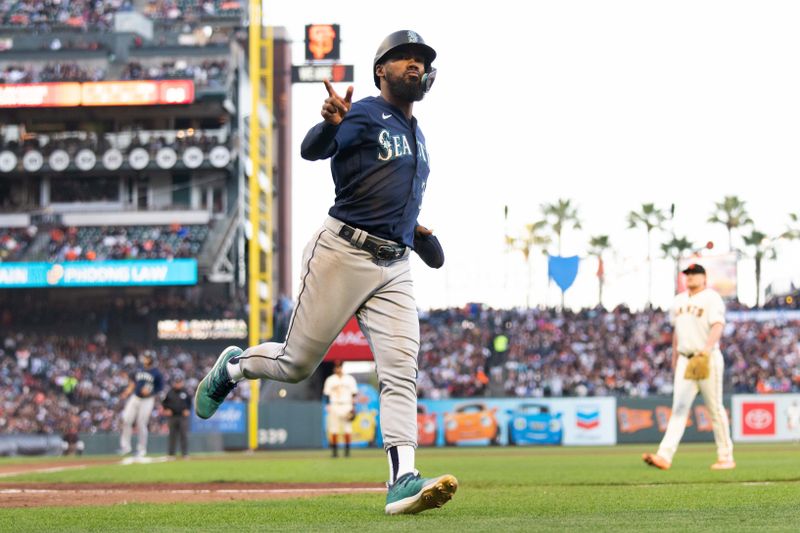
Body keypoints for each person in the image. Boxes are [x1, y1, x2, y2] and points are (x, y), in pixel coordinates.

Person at [195, 30, 457, 514]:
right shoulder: (362, 113)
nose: (415, 65)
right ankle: (233, 366)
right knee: (295, 365)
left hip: (394, 265)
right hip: (343, 251)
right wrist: (331, 126)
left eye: (421, 60)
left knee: (401, 372)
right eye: (404, 58)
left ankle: (403, 479)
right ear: (382, 71)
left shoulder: (417, 136)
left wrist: (418, 234)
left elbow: (394, 194)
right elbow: (313, 150)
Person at [643, 263, 735, 470]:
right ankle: (664, 456)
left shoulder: (712, 297)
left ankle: (726, 457)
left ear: (704, 277)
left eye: (694, 274)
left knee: (715, 409)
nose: (690, 277)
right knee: (679, 409)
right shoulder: (678, 301)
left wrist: (707, 348)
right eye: (687, 274)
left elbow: (718, 325)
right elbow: (677, 332)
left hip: (707, 357)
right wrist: (675, 358)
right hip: (685, 359)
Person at [119, 350, 164, 458]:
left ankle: (141, 449)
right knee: (126, 420)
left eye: (147, 357)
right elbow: (133, 382)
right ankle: (126, 448)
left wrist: (151, 392)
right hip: (135, 397)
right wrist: (128, 391)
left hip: (147, 400)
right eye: (145, 357)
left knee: (141, 423)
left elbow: (160, 388)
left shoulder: (156, 373)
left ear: (151, 359)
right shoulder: (139, 369)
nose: (145, 359)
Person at [323, 361, 358, 458]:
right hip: (334, 405)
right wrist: (328, 405)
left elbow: (354, 394)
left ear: (342, 368)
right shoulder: (330, 379)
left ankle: (347, 452)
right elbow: (326, 394)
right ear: (334, 369)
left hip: (347, 405)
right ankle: (335, 453)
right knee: (334, 430)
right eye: (336, 367)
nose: (338, 369)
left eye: (340, 367)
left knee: (348, 429)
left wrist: (353, 407)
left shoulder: (350, 379)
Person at [162, 375, 191, 458]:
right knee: (172, 435)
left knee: (184, 435)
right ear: (174, 383)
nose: (178, 384)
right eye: (176, 382)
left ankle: (185, 453)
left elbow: (190, 403)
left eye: (179, 382)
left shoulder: (185, 392)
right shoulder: (170, 392)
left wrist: (188, 409)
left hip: (182, 417)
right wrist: (166, 409)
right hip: (172, 417)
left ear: (182, 383)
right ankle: (171, 454)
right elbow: (164, 403)